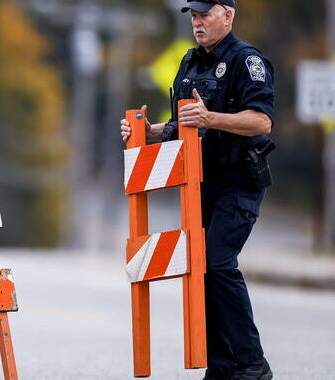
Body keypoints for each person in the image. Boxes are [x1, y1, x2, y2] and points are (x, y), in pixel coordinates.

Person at [120, 1, 274, 379]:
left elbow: (261, 121)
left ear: (228, 15)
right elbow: (181, 125)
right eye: (193, 15)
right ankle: (223, 368)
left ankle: (252, 364)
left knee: (218, 263)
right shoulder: (190, 63)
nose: (198, 21)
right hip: (199, 184)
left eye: (205, 14)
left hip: (238, 182)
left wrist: (210, 118)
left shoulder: (246, 61)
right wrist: (151, 133)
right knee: (200, 269)